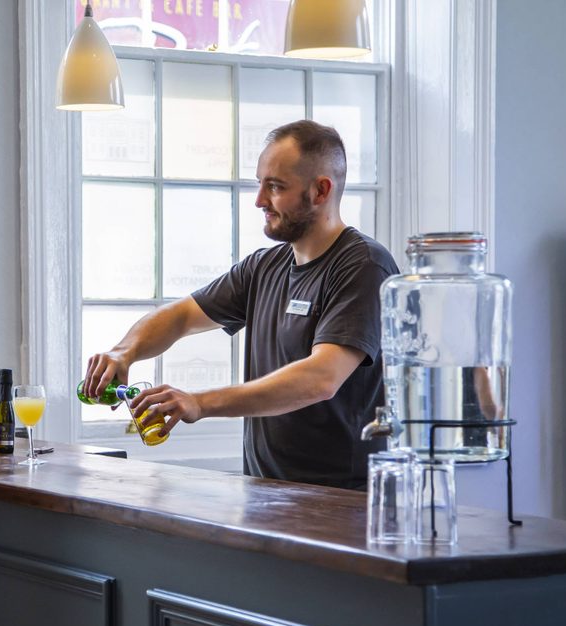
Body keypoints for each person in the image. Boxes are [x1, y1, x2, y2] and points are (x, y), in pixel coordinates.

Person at [84, 120, 399, 489]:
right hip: (266, 492)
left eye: (275, 187)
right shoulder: (264, 267)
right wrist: (124, 353)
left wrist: (200, 402)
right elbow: (181, 316)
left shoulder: (363, 266)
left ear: (320, 191)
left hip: (340, 501)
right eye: (260, 183)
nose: (259, 200)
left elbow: (320, 379)